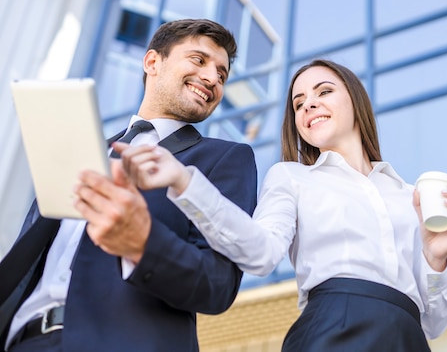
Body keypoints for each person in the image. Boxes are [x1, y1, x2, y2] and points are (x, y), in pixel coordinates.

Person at [102, 59, 447, 351]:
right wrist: (185, 182)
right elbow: (260, 253)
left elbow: (433, 323)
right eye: (299, 103)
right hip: (334, 327)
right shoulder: (293, 177)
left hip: (408, 337)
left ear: (356, 101)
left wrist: (435, 256)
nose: (309, 103)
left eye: (324, 91)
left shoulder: (409, 195)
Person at [0, 19, 258, 352]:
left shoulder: (224, 159)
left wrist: (141, 240)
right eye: (199, 60)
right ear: (153, 62)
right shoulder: (81, 153)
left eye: (222, 75)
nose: (212, 79)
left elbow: (217, 284)